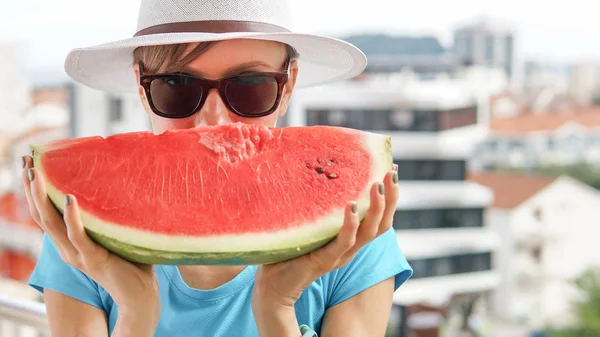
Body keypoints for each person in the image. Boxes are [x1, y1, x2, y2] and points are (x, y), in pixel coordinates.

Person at [21, 0, 413, 336]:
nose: (215, 123)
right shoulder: (78, 230)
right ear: (143, 89)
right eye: (176, 87)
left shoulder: (358, 233)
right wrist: (135, 313)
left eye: (250, 86)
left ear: (288, 84)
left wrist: (277, 308)